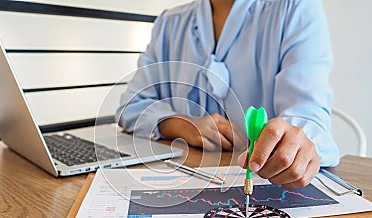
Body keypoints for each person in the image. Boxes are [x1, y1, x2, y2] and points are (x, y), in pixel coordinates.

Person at [116, 0, 340, 188]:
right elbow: (132, 105)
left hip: (265, 185)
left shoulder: (295, 8)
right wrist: (181, 125)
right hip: (184, 178)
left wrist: (292, 148)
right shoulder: (169, 23)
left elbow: (308, 114)